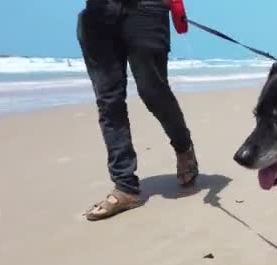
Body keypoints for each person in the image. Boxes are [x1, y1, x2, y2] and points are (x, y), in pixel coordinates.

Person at [77, 0, 199, 221]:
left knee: (153, 91)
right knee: (109, 101)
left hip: (146, 8)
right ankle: (125, 187)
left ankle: (183, 146)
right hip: (98, 13)